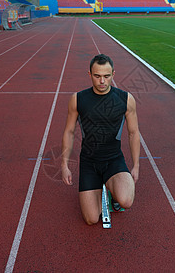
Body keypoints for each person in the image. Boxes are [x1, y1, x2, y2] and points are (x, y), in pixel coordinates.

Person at [61, 54, 140, 225]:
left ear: (113, 74)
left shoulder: (126, 99)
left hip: (114, 160)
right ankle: (100, 187)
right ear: (89, 74)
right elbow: (69, 131)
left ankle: (114, 193)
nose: (102, 81)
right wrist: (64, 165)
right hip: (89, 162)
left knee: (126, 200)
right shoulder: (78, 99)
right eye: (97, 76)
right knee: (91, 219)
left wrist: (136, 165)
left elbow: (133, 133)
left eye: (106, 76)